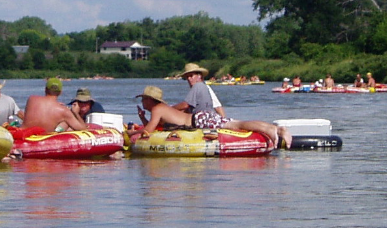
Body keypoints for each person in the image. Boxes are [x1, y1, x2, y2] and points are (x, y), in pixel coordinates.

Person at [127, 85, 292, 149]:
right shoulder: (160, 109)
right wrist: (142, 118)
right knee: (235, 123)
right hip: (199, 119)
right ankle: (275, 129)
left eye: (143, 99)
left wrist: (128, 135)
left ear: (150, 100)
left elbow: (148, 131)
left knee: (236, 124)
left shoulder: (157, 109)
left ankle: (274, 129)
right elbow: (154, 127)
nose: (142, 103)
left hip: (200, 120)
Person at [22, 77, 87, 132]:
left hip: (23, 137)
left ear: (45, 89)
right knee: (65, 123)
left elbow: (46, 108)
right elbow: (83, 129)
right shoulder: (63, 111)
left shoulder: (31, 99)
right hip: (42, 140)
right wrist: (75, 113)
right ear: (60, 92)